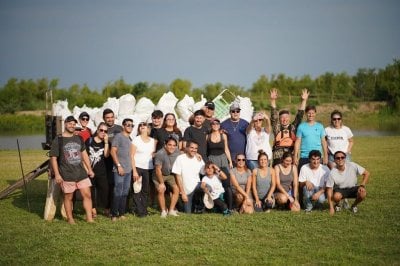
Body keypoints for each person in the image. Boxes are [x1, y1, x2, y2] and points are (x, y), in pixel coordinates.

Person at [50, 115, 95, 224]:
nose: (72, 126)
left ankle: (89, 218)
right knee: (68, 197)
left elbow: (84, 155)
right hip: (66, 174)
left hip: (81, 173)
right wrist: (57, 174)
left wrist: (89, 169)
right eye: (70, 124)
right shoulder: (58, 140)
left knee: (87, 194)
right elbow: (53, 159)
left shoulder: (79, 138)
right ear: (65, 124)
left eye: (74, 124)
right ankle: (70, 219)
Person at [270, 88, 309, 167]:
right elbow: (273, 115)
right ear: (280, 119)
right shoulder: (276, 128)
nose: (284, 119)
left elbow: (300, 115)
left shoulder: (294, 127)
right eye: (282, 118)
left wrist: (304, 101)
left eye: (286, 117)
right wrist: (273, 100)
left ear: (289, 118)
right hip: (278, 157)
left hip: (291, 156)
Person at [326, 151, 370, 215]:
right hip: (340, 190)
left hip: (353, 187)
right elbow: (329, 190)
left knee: (363, 193)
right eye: (337, 158)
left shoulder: (352, 165)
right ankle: (337, 205)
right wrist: (331, 207)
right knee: (336, 196)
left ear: (345, 158)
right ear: (334, 160)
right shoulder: (332, 173)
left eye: (342, 157)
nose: (340, 159)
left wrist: (362, 185)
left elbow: (367, 173)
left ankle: (354, 206)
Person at [109, 118, 135, 221]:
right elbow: (112, 151)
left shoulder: (130, 139)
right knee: (118, 191)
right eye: (128, 125)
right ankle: (114, 214)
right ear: (123, 126)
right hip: (119, 169)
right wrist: (118, 165)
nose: (130, 127)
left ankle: (121, 213)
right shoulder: (118, 137)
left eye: (132, 125)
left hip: (128, 170)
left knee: (125, 192)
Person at [206, 117, 233, 211]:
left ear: (219, 125)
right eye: (213, 124)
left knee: (226, 184)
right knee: (214, 185)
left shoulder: (223, 136)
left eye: (217, 124)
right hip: (212, 160)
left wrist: (230, 161)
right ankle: (216, 207)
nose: (215, 125)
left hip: (223, 159)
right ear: (211, 125)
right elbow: (206, 151)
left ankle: (230, 207)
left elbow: (226, 149)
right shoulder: (207, 136)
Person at [172, 141, 205, 213]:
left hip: (197, 186)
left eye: (196, 148)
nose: (194, 150)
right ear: (187, 148)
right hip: (186, 191)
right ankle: (192, 206)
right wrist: (183, 193)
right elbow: (178, 176)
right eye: (192, 147)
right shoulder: (180, 158)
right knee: (188, 212)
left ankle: (200, 205)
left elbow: (204, 172)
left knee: (206, 186)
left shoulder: (198, 158)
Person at [85, 122, 110, 218]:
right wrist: (87, 169)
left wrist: (107, 142)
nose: (103, 132)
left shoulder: (105, 143)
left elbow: (106, 155)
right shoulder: (89, 141)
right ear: (97, 130)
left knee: (105, 190)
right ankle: (93, 209)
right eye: (101, 130)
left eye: (105, 131)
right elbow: (84, 156)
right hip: (89, 170)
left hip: (101, 172)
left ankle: (106, 208)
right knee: (90, 191)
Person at [294, 105, 328, 172]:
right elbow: (297, 142)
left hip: (317, 157)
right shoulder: (301, 127)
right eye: (309, 113)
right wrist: (295, 156)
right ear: (306, 113)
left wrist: (325, 156)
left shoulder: (320, 126)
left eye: (312, 113)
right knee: (302, 180)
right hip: (304, 157)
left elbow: (323, 141)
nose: (311, 115)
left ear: (315, 113)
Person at [131, 122, 155, 217]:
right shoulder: (136, 140)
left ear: (148, 129)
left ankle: (144, 209)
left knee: (145, 191)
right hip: (138, 167)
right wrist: (134, 171)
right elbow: (131, 155)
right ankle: (140, 211)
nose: (142, 127)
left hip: (148, 168)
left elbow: (153, 154)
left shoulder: (153, 141)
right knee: (137, 190)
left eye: (144, 126)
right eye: (140, 126)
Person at [102, 108, 123, 216]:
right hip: (107, 161)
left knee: (119, 185)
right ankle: (108, 207)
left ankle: (120, 207)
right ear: (104, 118)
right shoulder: (103, 129)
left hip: (120, 160)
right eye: (107, 117)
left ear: (114, 117)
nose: (110, 119)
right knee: (109, 185)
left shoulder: (120, 129)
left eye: (111, 117)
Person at [153, 137, 181, 218]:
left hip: (169, 174)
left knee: (176, 189)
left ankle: (171, 210)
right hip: (159, 174)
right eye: (170, 145)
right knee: (161, 190)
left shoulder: (176, 151)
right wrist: (161, 183)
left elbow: (184, 151)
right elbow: (158, 170)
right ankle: (163, 211)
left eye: (174, 145)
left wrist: (197, 154)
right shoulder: (160, 153)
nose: (172, 147)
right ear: (165, 145)